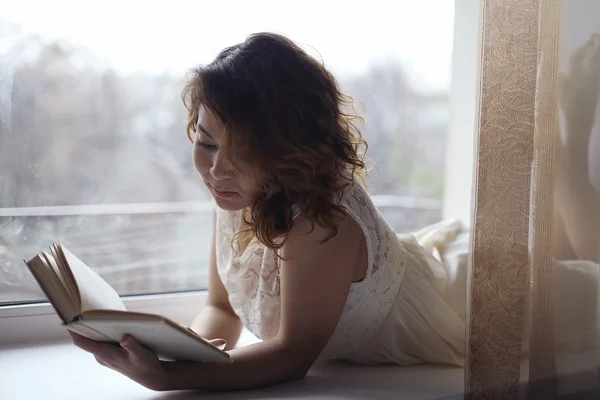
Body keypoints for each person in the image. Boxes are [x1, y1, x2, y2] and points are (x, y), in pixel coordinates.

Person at [68, 32, 467, 392]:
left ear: (291, 149)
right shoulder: (236, 190)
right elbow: (221, 310)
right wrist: (181, 351)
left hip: (452, 312)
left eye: (242, 152)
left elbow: (293, 356)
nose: (217, 169)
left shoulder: (320, 221)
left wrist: (169, 378)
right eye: (206, 143)